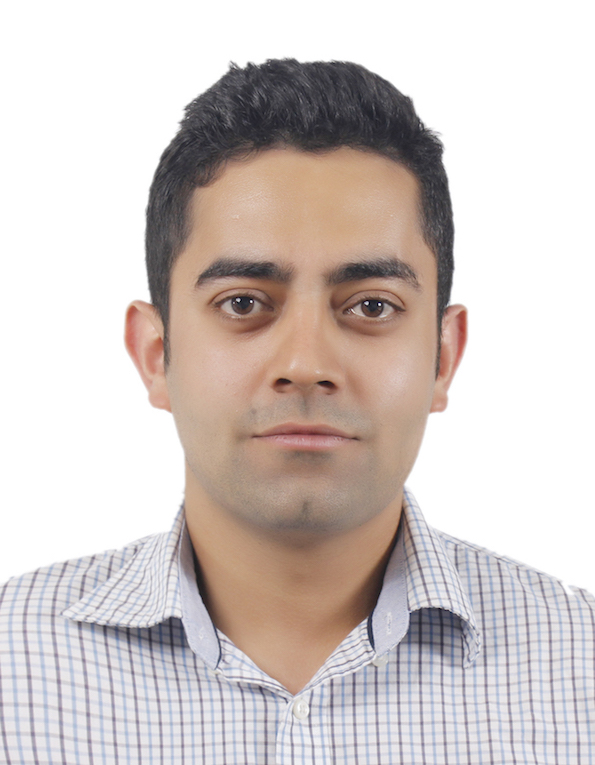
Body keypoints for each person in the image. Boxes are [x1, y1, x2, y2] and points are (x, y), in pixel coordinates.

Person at [0, 59, 592, 764]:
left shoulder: (579, 667)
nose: (306, 363)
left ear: (442, 357)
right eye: (243, 302)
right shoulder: (13, 664)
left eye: (371, 306)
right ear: (156, 354)